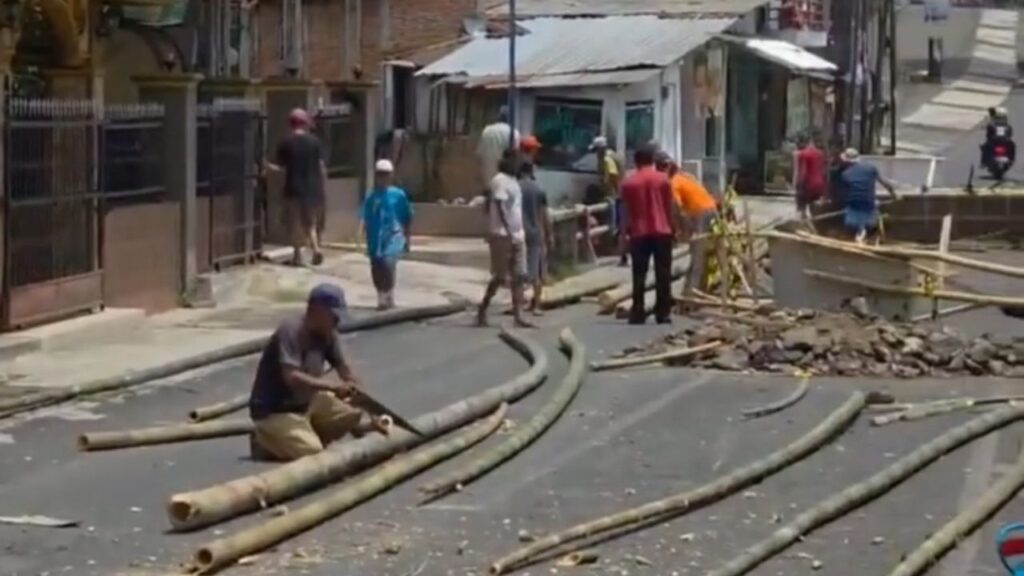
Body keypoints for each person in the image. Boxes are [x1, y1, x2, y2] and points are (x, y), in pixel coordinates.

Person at [249, 284, 390, 461]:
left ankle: (299, 435)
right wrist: (333, 386)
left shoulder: (328, 334)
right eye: (333, 316)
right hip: (276, 411)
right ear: (317, 310)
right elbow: (291, 376)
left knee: (352, 415)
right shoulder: (291, 330)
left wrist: (362, 397)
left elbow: (345, 368)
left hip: (307, 403)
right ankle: (264, 441)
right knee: (312, 451)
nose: (337, 321)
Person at [620, 144, 678, 325]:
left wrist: (623, 236)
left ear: (636, 162)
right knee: (663, 273)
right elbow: (670, 208)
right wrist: (674, 228)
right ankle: (664, 312)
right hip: (662, 231)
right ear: (652, 160)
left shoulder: (629, 183)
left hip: (639, 233)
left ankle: (638, 311)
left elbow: (625, 213)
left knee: (639, 274)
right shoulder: (663, 180)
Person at [477, 149, 532, 328]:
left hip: (517, 234)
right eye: (516, 160)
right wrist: (507, 228)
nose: (518, 164)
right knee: (500, 277)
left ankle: (519, 315)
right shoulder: (500, 180)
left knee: (520, 276)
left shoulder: (514, 181)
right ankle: (483, 309)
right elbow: (499, 205)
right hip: (502, 235)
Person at [266, 108, 328, 267]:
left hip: (293, 188)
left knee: (293, 223)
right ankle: (315, 249)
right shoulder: (315, 142)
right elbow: (321, 167)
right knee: (310, 224)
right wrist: (322, 187)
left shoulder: (286, 142)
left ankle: (297, 256)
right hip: (313, 189)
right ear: (305, 123)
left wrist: (267, 166)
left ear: (290, 124)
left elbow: (281, 168)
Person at [661, 156, 719, 303]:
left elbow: (677, 209)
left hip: (702, 213)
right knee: (704, 252)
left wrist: (680, 230)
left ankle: (692, 296)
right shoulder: (685, 177)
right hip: (709, 209)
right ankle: (698, 289)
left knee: (698, 254)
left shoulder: (673, 183)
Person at [358, 159, 413, 310]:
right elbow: (364, 216)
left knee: (388, 264)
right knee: (376, 267)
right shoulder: (372, 197)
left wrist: (408, 239)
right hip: (375, 239)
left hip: (393, 237)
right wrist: (361, 234)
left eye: (386, 174)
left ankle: (389, 294)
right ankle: (381, 296)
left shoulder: (398, 195)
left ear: (391, 176)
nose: (383, 177)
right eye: (380, 174)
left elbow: (407, 216)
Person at [836, 148, 898, 244]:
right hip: (869, 205)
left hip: (854, 207)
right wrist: (894, 195)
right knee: (874, 212)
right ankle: (868, 235)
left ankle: (859, 235)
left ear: (846, 161)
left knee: (852, 223)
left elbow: (845, 195)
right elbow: (886, 184)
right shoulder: (871, 168)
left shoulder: (845, 175)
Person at [518, 155, 553, 314]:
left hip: (518, 232)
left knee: (518, 269)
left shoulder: (515, 187)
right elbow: (545, 215)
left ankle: (517, 304)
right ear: (532, 171)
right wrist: (549, 234)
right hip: (535, 232)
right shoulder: (539, 190)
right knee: (536, 270)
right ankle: (536, 305)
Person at [590, 136, 626, 266]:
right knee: (620, 223)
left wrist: (614, 193)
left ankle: (615, 250)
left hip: (614, 195)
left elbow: (613, 176)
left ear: (601, 149)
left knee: (614, 224)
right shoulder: (615, 155)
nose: (596, 155)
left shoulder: (607, 159)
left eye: (597, 151)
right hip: (620, 193)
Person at [477, 106, 520, 187]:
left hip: (487, 178)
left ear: (499, 117)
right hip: (505, 181)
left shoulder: (487, 131)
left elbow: (479, 155)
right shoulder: (514, 133)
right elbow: (515, 156)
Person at [794, 133, 827, 219]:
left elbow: (802, 172)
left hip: (807, 185)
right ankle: (815, 225)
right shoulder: (820, 153)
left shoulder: (802, 154)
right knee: (814, 209)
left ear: (803, 143)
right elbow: (824, 171)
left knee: (801, 208)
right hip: (819, 185)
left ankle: (802, 223)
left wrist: (798, 186)